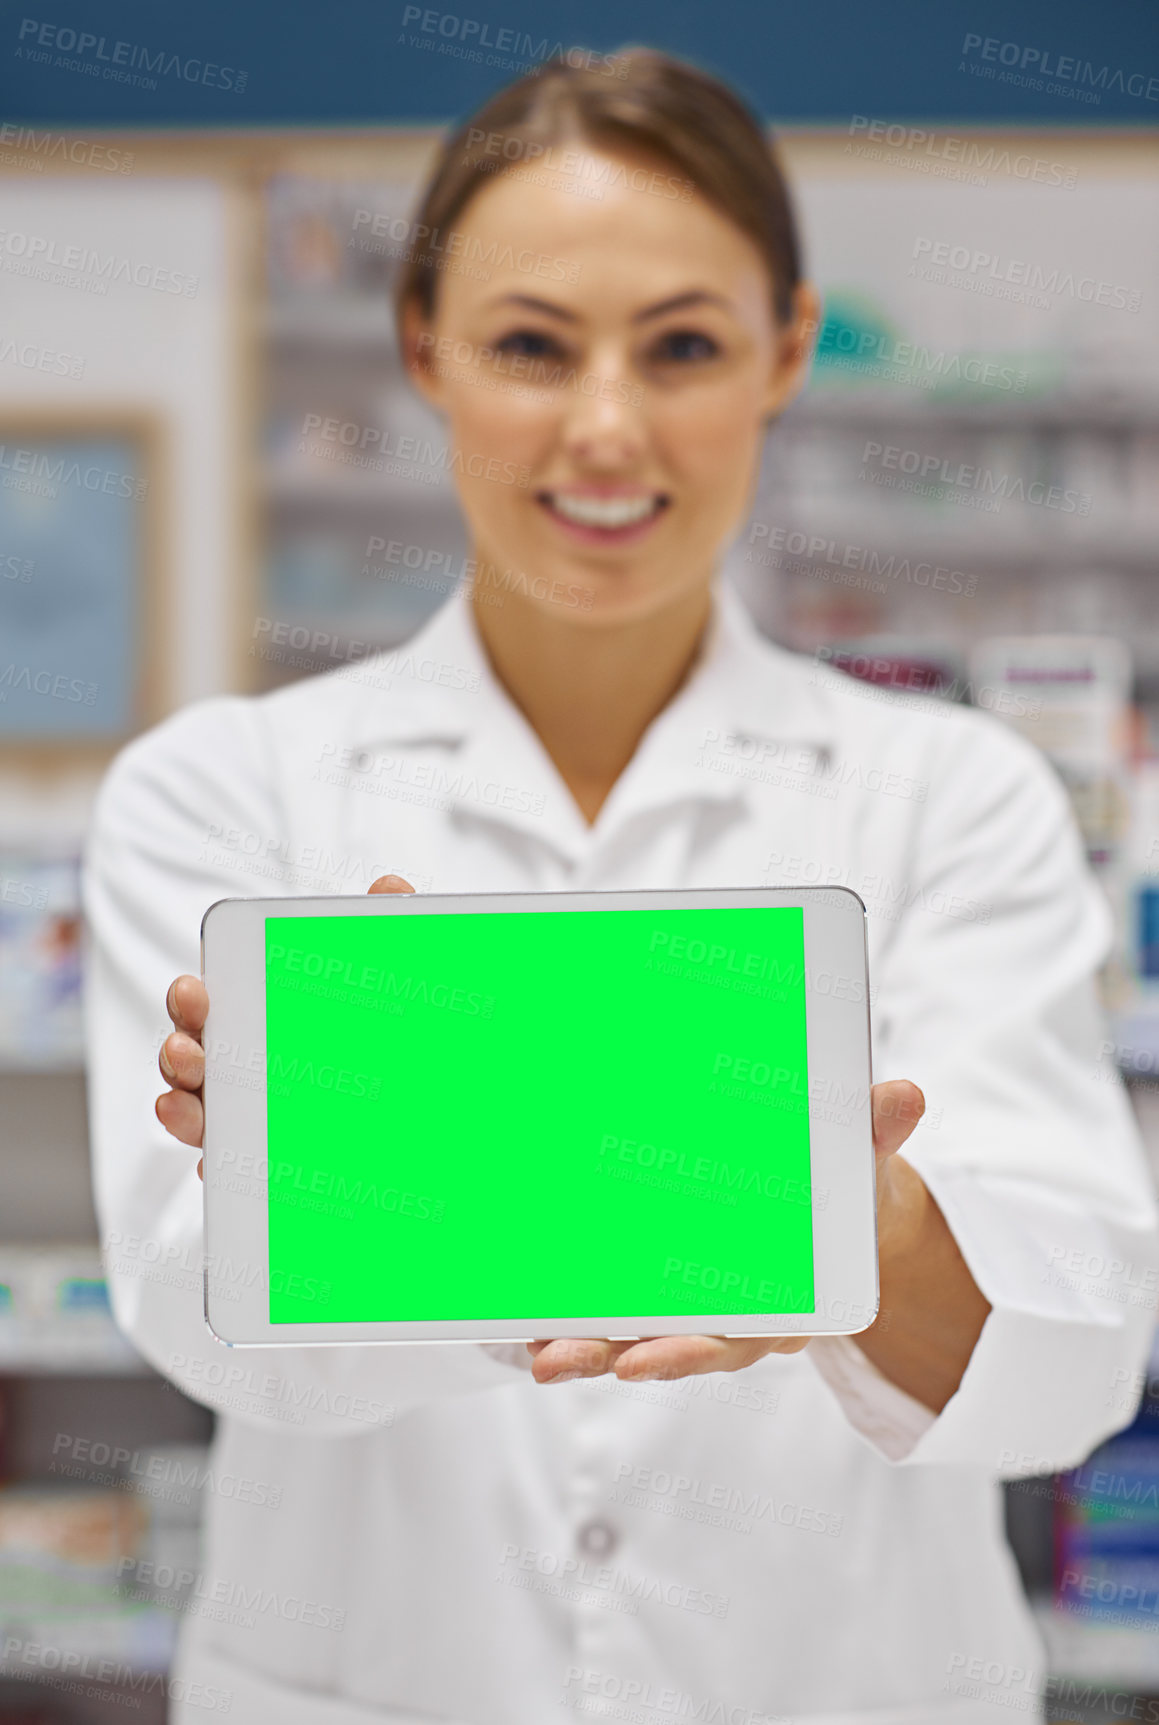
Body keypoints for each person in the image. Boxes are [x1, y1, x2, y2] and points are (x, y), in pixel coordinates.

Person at [83, 48, 1159, 1725]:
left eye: (683, 346)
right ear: (423, 345)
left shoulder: (955, 794)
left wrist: (842, 1226)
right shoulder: (222, 791)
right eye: (530, 344)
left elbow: (1075, 1345)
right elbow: (203, 1312)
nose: (606, 426)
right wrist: (725, 1169)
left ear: (785, 353)